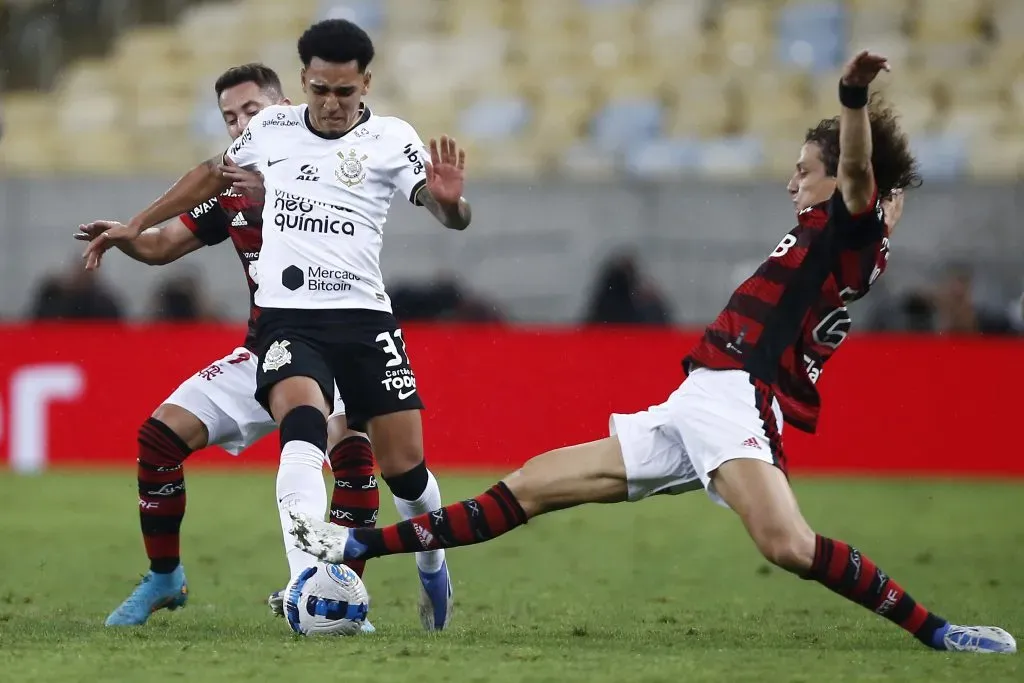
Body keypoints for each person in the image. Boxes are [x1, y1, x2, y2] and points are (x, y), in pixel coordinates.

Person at [289, 52, 1016, 654]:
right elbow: (870, 184)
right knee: (531, 484)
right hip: (695, 401)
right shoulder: (836, 232)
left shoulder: (845, 228)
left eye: (804, 167)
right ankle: (357, 549)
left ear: (838, 179)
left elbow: (861, 177)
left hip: (737, 397)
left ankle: (940, 631)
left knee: (789, 545)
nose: (792, 179)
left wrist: (853, 99)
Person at [81, 21, 472, 631]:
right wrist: (134, 226)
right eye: (322, 89)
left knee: (407, 473)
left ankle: (432, 569)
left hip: (363, 322)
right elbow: (202, 184)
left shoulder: (391, 139)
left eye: (345, 91)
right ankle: (311, 591)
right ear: (304, 86)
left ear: (364, 84)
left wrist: (452, 205)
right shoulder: (267, 144)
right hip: (285, 329)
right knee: (301, 435)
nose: (333, 103)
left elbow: (447, 211)